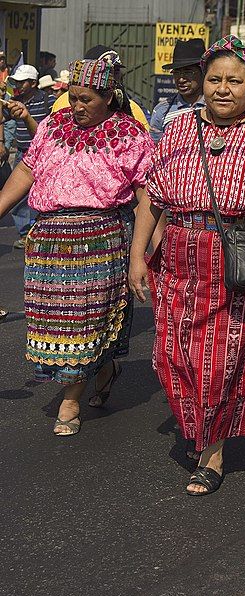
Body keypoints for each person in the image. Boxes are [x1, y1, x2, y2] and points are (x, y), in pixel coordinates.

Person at [130, 35, 245, 496]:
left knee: (222, 360)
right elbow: (153, 199)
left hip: (243, 255)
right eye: (214, 79)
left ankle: (213, 452)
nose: (223, 88)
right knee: (171, 355)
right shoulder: (181, 127)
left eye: (234, 81)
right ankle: (201, 425)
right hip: (180, 254)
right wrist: (138, 257)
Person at [0, 58, 156, 436]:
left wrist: (143, 255)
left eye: (85, 99)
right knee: (56, 326)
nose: (77, 107)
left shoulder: (130, 135)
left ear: (108, 96)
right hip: (49, 243)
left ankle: (71, 400)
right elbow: (26, 169)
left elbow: (148, 198)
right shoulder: (54, 126)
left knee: (82, 325)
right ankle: (103, 367)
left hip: (99, 241)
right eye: (72, 98)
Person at [4, 64, 55, 248]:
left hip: (43, 154)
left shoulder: (47, 101)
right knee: (18, 198)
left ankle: (39, 231)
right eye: (16, 81)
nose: (18, 85)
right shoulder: (14, 101)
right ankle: (26, 233)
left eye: (22, 82)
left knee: (42, 195)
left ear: (33, 83)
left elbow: (46, 133)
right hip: (22, 154)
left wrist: (26, 117)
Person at [52, 46, 150, 131]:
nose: (78, 108)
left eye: (115, 71)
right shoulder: (63, 104)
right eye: (106, 71)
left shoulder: (132, 108)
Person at [150, 38, 206, 142]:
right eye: (176, 73)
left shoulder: (215, 107)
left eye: (188, 72)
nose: (181, 79)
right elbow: (155, 150)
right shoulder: (162, 111)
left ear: (203, 72)